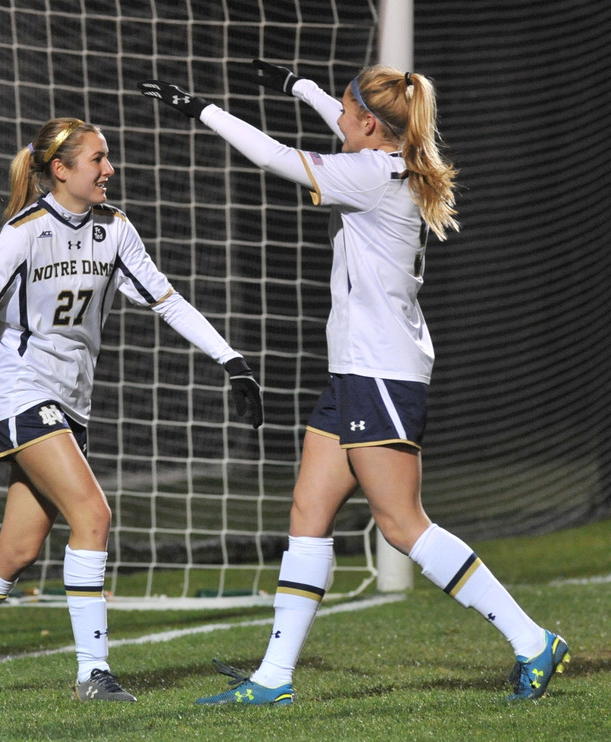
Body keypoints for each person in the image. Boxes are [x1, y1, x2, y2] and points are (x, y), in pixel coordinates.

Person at [139, 61, 569, 705]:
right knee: (308, 513)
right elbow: (347, 123)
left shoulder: (369, 175)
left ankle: (532, 640)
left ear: (369, 124)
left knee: (402, 524)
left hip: (381, 372)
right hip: (356, 371)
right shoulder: (388, 159)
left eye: (347, 111)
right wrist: (299, 87)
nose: (339, 120)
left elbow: (275, 156)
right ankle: (273, 678)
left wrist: (200, 110)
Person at [0, 117, 264, 702]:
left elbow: (167, 300)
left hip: (70, 403)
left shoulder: (115, 228)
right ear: (60, 170)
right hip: (19, 392)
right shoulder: (24, 232)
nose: (109, 169)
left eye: (107, 157)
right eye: (97, 159)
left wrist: (231, 360)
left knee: (17, 550)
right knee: (93, 514)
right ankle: (93, 674)